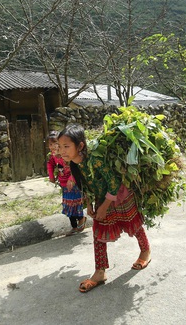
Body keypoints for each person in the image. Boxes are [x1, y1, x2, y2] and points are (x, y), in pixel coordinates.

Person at [57, 124, 151, 293]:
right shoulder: (74, 164)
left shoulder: (95, 160)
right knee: (98, 234)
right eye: (60, 147)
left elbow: (114, 183)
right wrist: (89, 205)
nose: (62, 151)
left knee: (133, 224)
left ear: (80, 146)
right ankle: (100, 272)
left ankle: (145, 251)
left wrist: (104, 207)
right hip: (102, 198)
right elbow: (84, 185)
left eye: (66, 146)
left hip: (120, 195)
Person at [46, 130, 86, 236]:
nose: (52, 146)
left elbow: (76, 165)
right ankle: (73, 226)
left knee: (75, 203)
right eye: (50, 144)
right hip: (64, 184)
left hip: (74, 183)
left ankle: (81, 218)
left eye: (55, 143)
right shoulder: (54, 156)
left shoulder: (67, 155)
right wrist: (51, 177)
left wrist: (72, 178)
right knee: (68, 206)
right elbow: (50, 164)